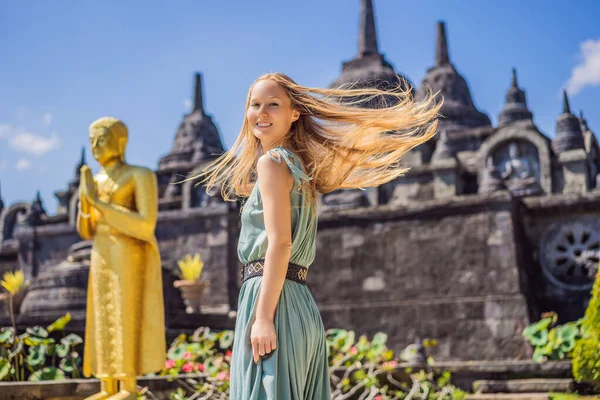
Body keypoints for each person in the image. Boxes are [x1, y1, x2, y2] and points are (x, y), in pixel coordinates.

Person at [193, 73, 440, 399]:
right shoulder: (301, 169)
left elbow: (281, 243)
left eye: (273, 104)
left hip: (272, 301)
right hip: (299, 304)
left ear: (295, 113)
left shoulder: (272, 163)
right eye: (255, 104)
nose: (261, 113)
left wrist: (264, 317)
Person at [77, 117, 166, 400]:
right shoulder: (96, 179)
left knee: (124, 312)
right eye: (92, 140)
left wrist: (98, 202)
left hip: (129, 253)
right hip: (101, 252)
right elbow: (86, 230)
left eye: (101, 139)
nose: (95, 146)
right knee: (102, 314)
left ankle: (128, 385)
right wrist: (85, 201)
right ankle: (107, 385)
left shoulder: (139, 175)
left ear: (119, 141)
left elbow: (146, 224)